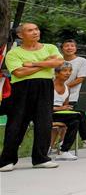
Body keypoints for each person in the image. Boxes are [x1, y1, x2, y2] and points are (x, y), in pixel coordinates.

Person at [0, 23, 63, 171]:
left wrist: (32, 64)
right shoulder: (13, 53)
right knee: (16, 124)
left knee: (44, 123)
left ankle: (40, 158)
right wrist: (46, 64)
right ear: (21, 35)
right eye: (30, 30)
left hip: (45, 88)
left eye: (36, 29)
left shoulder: (50, 47)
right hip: (21, 90)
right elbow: (19, 72)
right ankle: (6, 160)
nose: (35, 32)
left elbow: (59, 62)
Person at [51, 63, 86, 159]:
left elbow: (65, 105)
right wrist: (59, 108)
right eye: (64, 71)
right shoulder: (49, 86)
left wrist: (65, 108)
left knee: (75, 121)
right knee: (79, 114)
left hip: (60, 114)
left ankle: (64, 151)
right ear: (57, 73)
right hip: (48, 113)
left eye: (69, 71)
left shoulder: (67, 88)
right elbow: (42, 106)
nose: (68, 73)